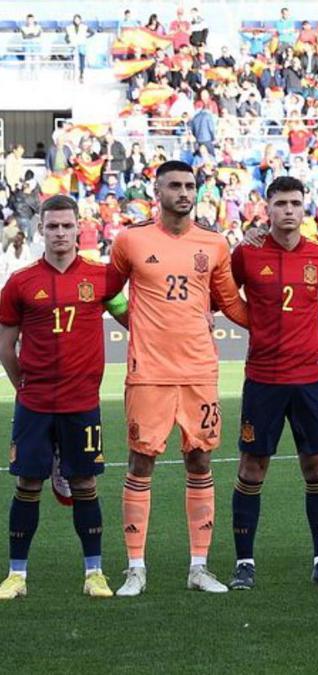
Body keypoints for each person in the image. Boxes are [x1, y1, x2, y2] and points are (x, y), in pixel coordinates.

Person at [109, 161, 250, 596]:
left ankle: (199, 566)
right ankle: (136, 568)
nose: (184, 192)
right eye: (175, 185)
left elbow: (231, 304)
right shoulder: (130, 239)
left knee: (200, 461)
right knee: (140, 462)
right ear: (157, 190)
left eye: (190, 185)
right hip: (148, 374)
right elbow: (107, 292)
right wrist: (136, 323)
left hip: (199, 373)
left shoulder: (214, 242)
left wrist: (277, 324)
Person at [0, 196, 128, 600]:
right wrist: (24, 385)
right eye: (52, 226)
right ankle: (16, 575)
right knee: (28, 483)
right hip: (35, 404)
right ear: (41, 229)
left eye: (66, 226)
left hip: (81, 403)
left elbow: (134, 318)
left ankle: (95, 573)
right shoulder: (20, 282)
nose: (59, 233)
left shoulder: (103, 278)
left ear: (79, 229)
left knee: (85, 483)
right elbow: (6, 346)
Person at [226, 177, 318, 589]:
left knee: (316, 467)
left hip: (310, 376)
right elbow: (224, 295)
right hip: (263, 378)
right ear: (268, 208)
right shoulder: (248, 252)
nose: (289, 210)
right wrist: (255, 324)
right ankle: (244, 563)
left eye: (296, 203)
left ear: (305, 208)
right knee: (252, 467)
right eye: (281, 203)